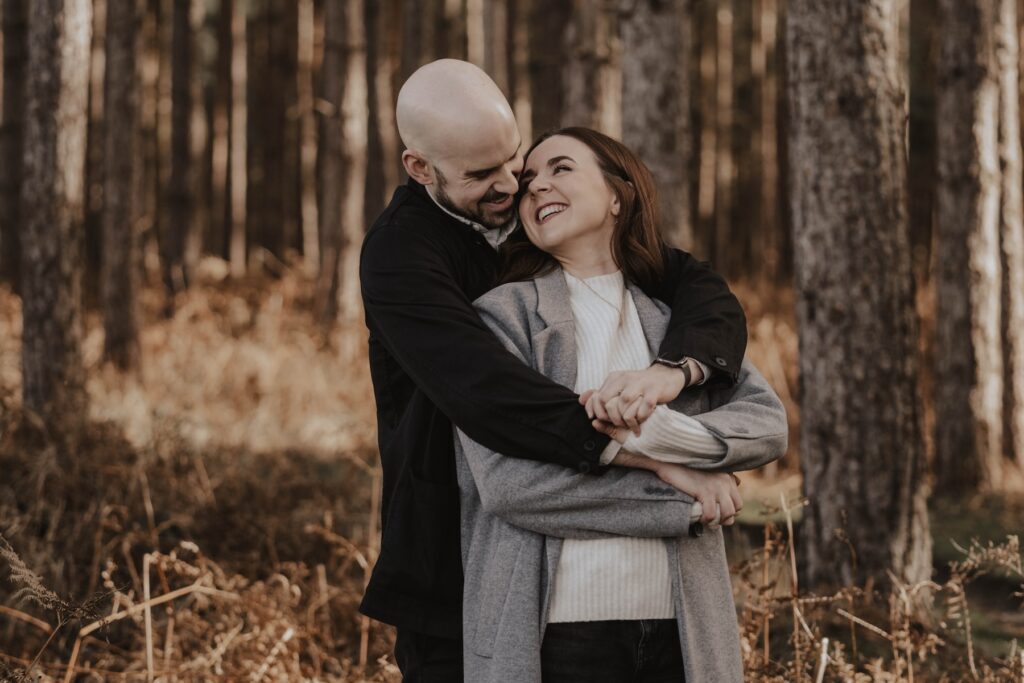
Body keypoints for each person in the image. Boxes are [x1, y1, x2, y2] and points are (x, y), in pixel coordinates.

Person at [359, 60, 748, 681]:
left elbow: (698, 286)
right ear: (419, 168)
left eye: (514, 159)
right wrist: (662, 464)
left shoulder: (536, 214)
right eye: (482, 174)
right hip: (448, 558)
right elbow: (488, 393)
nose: (511, 185)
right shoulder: (399, 255)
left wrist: (674, 371)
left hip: (576, 578)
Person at [454, 127, 788, 682]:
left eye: (560, 168)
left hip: (683, 631)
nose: (536, 187)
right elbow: (509, 486)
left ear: (617, 196)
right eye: (529, 180)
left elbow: (766, 425)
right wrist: (683, 492)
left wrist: (652, 436)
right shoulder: (501, 317)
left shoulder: (672, 321)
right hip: (554, 635)